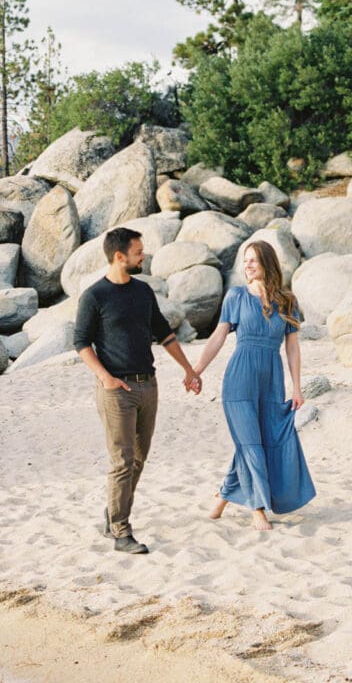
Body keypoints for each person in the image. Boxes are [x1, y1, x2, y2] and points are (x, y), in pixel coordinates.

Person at [74, 226, 201, 554]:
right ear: (119, 257)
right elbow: (81, 343)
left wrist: (188, 369)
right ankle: (120, 530)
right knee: (122, 460)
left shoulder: (143, 292)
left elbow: (165, 334)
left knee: (139, 459)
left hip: (149, 385)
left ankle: (113, 513)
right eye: (138, 252)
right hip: (116, 389)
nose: (143, 256)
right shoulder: (94, 296)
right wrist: (104, 377)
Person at [192, 240, 315, 531]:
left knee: (260, 441)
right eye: (244, 260)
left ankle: (224, 495)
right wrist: (196, 370)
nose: (246, 265)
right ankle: (257, 508)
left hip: (271, 382)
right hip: (239, 381)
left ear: (267, 263)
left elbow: (293, 347)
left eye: (252, 260)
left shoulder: (287, 301)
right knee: (250, 443)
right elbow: (218, 337)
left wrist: (297, 388)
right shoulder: (235, 296)